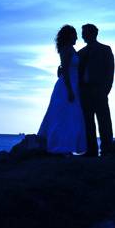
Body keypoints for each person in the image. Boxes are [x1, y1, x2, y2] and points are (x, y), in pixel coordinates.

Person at [37, 25, 87, 154]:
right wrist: (70, 90)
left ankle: (69, 146)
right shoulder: (66, 49)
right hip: (67, 86)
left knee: (72, 116)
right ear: (69, 35)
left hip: (74, 85)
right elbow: (65, 69)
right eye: (74, 34)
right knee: (63, 116)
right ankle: (61, 146)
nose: (77, 37)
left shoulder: (72, 49)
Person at [77, 23, 114, 156]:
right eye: (83, 33)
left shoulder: (105, 50)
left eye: (85, 32)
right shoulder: (80, 53)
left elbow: (110, 71)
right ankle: (91, 150)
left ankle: (107, 149)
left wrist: (105, 89)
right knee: (88, 121)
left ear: (93, 33)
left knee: (104, 120)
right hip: (84, 91)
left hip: (99, 90)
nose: (83, 35)